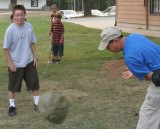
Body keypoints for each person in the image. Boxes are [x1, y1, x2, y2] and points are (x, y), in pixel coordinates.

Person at [98, 26, 160, 129]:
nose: (108, 49)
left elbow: (149, 77)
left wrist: (139, 71)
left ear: (115, 41)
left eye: (108, 46)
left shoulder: (130, 57)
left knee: (148, 112)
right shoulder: (135, 36)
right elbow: (148, 51)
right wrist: (136, 69)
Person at [3, 5, 40, 117]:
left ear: (25, 15)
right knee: (12, 87)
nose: (20, 17)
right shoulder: (10, 30)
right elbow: (6, 48)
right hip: (16, 64)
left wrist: (35, 58)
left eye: (22, 15)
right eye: (17, 15)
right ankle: (12, 107)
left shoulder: (29, 26)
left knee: (35, 84)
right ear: (13, 16)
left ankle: (37, 104)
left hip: (29, 61)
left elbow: (32, 43)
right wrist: (10, 63)